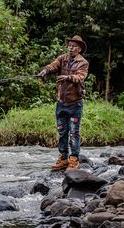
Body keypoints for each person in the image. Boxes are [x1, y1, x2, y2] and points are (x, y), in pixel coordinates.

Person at [38, 35, 89, 171]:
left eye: (74, 46)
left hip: (75, 104)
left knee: (74, 133)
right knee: (62, 132)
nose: (71, 48)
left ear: (79, 49)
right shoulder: (62, 59)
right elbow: (53, 65)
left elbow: (81, 77)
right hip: (61, 103)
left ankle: (74, 159)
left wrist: (68, 77)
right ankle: (63, 158)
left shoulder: (83, 63)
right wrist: (45, 71)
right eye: (70, 45)